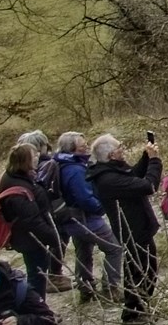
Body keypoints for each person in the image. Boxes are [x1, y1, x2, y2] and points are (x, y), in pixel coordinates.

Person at [88, 131, 163, 325]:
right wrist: (155, 162)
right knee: (138, 270)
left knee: (148, 267)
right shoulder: (108, 179)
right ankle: (132, 313)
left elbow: (135, 176)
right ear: (112, 155)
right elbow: (148, 185)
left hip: (138, 225)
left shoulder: (113, 170)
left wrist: (147, 157)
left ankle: (139, 306)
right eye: (119, 147)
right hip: (132, 229)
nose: (123, 149)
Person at [52, 130, 126, 303]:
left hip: (71, 219)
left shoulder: (61, 164)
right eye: (82, 145)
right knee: (114, 248)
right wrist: (101, 208)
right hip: (86, 219)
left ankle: (85, 290)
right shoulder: (74, 170)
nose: (86, 147)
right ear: (72, 149)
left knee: (84, 252)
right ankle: (111, 290)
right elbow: (84, 197)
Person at [0, 141, 67, 290]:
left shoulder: (17, 177)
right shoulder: (17, 188)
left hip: (28, 237)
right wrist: (54, 238)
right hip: (30, 239)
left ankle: (38, 309)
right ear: (24, 161)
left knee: (37, 273)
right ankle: (36, 310)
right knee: (37, 276)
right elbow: (32, 221)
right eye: (34, 156)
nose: (37, 158)